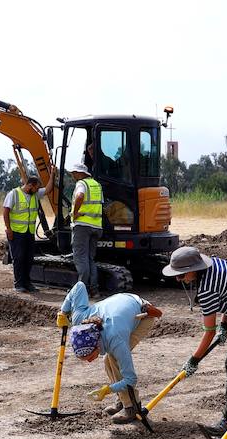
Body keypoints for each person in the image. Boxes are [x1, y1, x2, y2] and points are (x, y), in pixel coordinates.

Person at [161, 246, 227, 434]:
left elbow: (208, 332)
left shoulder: (206, 289)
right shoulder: (215, 264)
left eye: (181, 275)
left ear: (193, 269)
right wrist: (224, 325)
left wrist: (194, 360)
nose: (179, 280)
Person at [58, 282, 163, 424]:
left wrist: (108, 389)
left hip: (143, 315)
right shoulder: (79, 321)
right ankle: (122, 399)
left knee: (113, 358)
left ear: (96, 345)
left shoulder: (116, 339)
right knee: (108, 359)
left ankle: (132, 407)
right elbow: (79, 286)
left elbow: (130, 379)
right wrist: (63, 312)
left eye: (89, 357)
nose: (89, 361)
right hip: (121, 307)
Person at [3, 172, 49, 293]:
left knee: (29, 258)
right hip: (17, 232)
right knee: (18, 258)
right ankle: (19, 284)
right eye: (36, 187)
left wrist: (53, 174)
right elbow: (6, 211)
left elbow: (48, 190)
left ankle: (27, 283)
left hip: (29, 232)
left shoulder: (35, 194)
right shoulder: (14, 194)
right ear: (30, 185)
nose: (38, 190)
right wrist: (8, 229)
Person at [68, 160, 103, 291]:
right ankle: (94, 289)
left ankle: (82, 290)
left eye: (73, 173)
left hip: (83, 226)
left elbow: (80, 196)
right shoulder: (97, 185)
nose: (72, 175)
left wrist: (74, 213)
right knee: (90, 259)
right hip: (97, 227)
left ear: (79, 173)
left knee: (80, 258)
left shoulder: (81, 184)